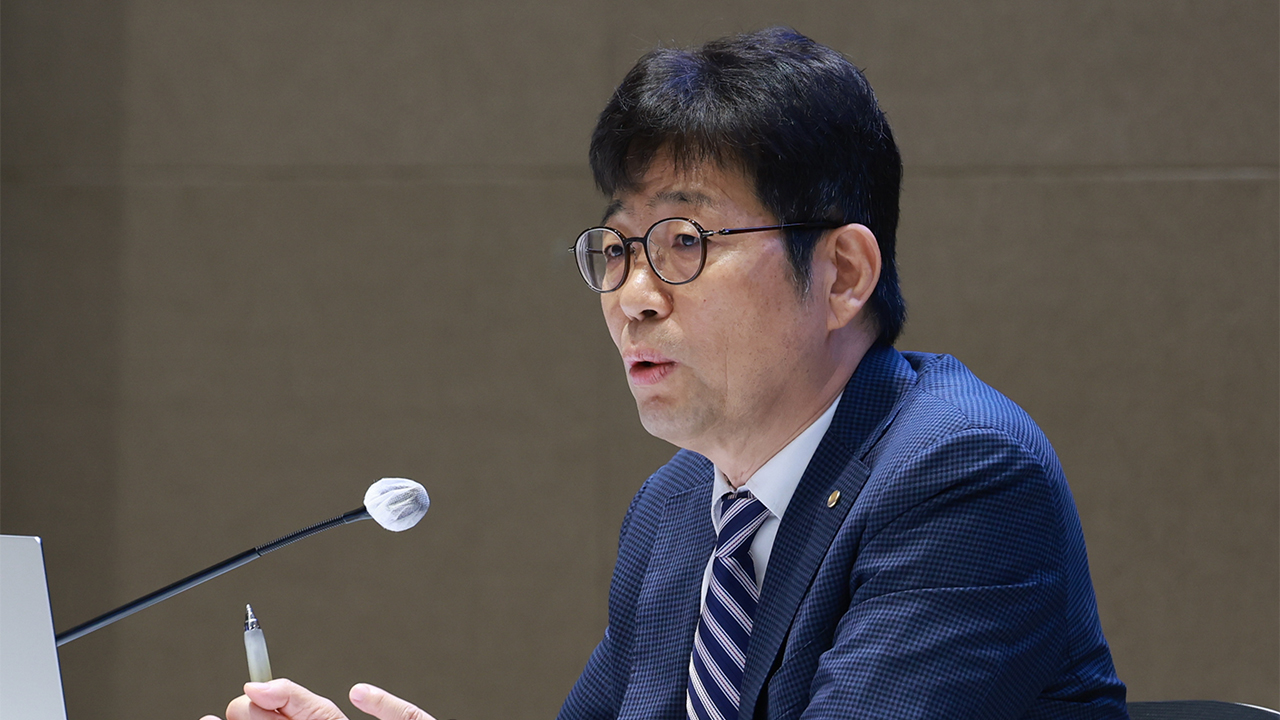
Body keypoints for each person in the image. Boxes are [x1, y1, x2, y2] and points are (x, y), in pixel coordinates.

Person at [205, 27, 1128, 720]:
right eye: (616, 249)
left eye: (685, 242)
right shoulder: (680, 508)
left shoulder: (960, 476)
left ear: (843, 273)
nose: (632, 297)